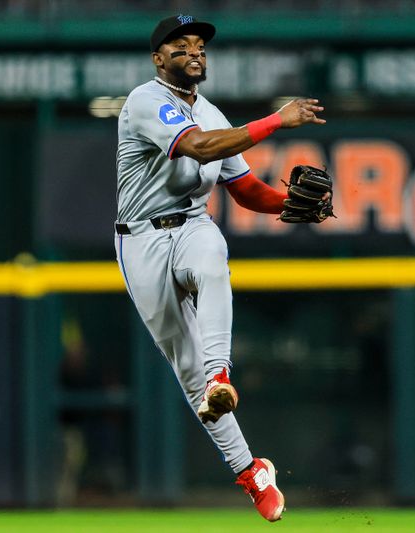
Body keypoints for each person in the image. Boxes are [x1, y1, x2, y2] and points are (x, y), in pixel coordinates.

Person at [114, 14, 327, 522]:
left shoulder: (211, 111)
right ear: (158, 58)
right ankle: (252, 471)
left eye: (200, 46)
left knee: (210, 258)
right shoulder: (145, 100)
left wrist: (289, 205)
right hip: (140, 239)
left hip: (189, 223)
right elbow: (198, 146)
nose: (194, 52)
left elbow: (246, 190)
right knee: (183, 368)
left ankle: (220, 375)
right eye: (180, 45)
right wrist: (276, 121)